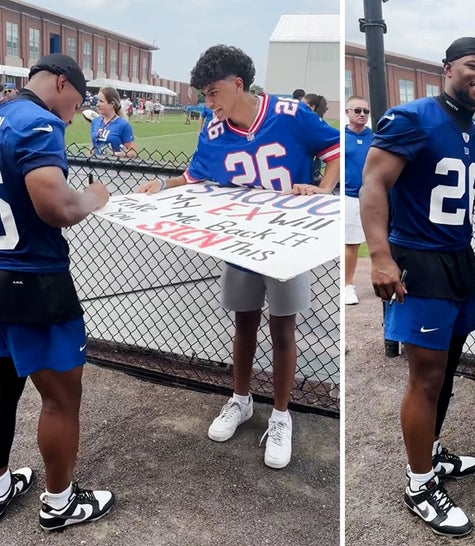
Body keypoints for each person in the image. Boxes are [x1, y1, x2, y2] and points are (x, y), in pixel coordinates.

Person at [137, 44, 340, 469]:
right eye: (204, 96)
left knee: (284, 329)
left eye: (213, 94)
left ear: (237, 84)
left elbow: (335, 151)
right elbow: (195, 177)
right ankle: (241, 400)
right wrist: (162, 186)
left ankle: (282, 415)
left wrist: (321, 191)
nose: (208, 104)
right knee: (244, 323)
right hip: (243, 244)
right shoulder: (213, 131)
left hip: (287, 243)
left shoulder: (288, 114)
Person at [360, 37, 475, 537]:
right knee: (426, 376)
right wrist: (379, 256)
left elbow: (474, 194)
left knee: (449, 369)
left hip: (458, 258)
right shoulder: (413, 116)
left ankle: (432, 452)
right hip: (419, 257)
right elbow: (374, 184)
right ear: (448, 69)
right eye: (471, 67)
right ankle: (419, 486)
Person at [0, 53, 114, 530]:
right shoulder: (38, 122)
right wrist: (96, 197)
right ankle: (59, 505)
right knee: (61, 399)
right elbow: (56, 206)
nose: (74, 114)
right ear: (61, 82)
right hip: (36, 282)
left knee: (5, 383)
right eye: (75, 101)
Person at [344, 96, 372, 306]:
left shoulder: (375, 137)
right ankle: (347, 285)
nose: (362, 114)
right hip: (350, 196)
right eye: (357, 111)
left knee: (384, 240)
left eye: (365, 111)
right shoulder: (341, 137)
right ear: (347, 112)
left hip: (373, 197)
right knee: (352, 243)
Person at [90, 86, 137, 158]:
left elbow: (133, 152)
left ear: (112, 104)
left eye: (101, 101)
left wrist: (118, 154)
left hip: (114, 167)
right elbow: (92, 146)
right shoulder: (95, 121)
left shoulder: (123, 125)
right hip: (96, 167)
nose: (97, 104)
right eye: (97, 100)